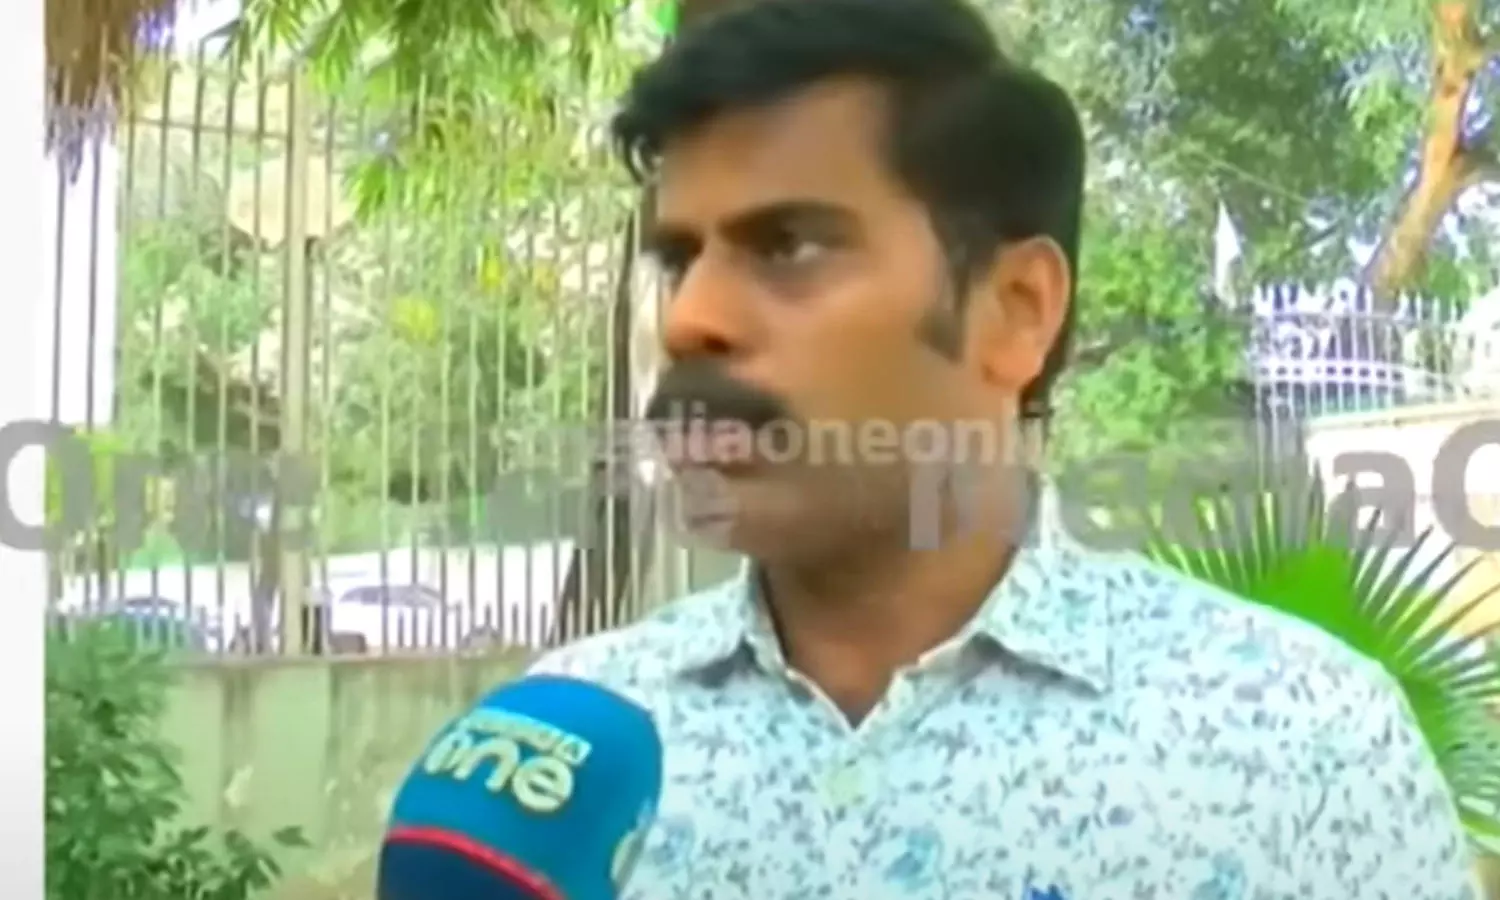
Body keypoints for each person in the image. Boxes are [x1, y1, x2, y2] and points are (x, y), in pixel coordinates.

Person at [531, 0, 1482, 896]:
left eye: (789, 247)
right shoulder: (551, 771)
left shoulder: (1298, 747)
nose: (689, 318)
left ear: (1016, 311)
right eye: (679, 259)